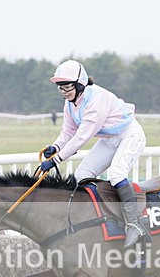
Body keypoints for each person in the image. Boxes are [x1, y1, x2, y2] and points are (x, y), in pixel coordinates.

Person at [39, 60, 147, 247]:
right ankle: (98, 218)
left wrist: (56, 160)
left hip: (130, 134)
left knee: (116, 174)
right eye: (60, 88)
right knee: (81, 176)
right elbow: (68, 132)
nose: (64, 92)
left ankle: (134, 225)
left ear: (80, 83)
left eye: (67, 87)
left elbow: (81, 137)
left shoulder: (96, 100)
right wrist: (55, 147)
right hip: (109, 139)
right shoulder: (70, 104)